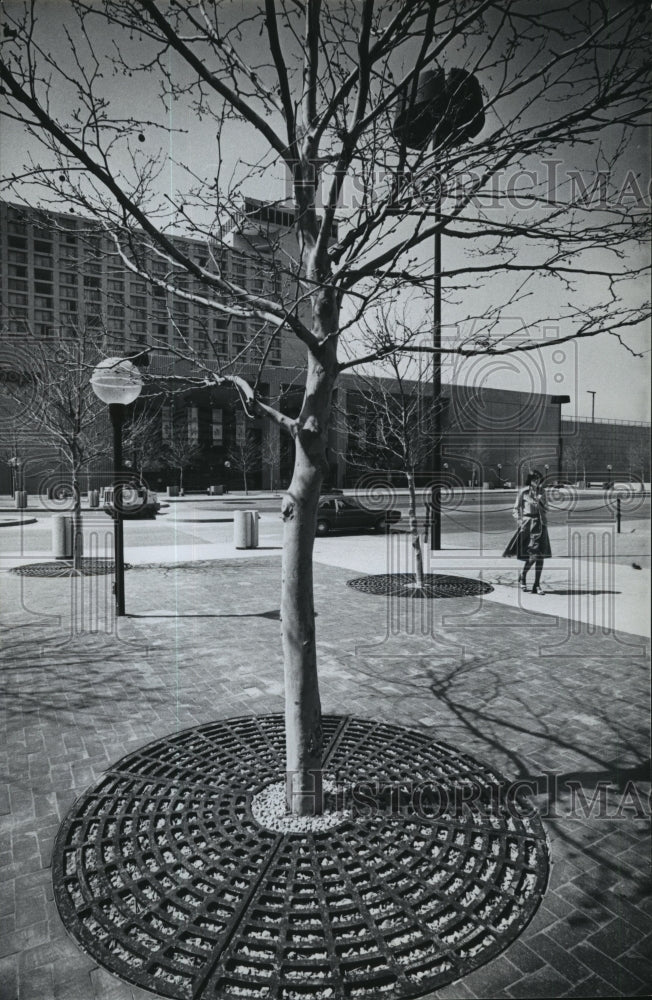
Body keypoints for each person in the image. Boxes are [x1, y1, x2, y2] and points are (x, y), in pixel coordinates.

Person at [503, 470, 551, 594]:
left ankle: (536, 584)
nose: (537, 481)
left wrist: (540, 502)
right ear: (530, 480)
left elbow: (547, 508)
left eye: (539, 479)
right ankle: (523, 577)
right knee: (534, 554)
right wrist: (519, 521)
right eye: (535, 479)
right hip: (528, 525)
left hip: (540, 524)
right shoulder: (523, 492)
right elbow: (515, 509)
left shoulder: (542, 492)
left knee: (540, 555)